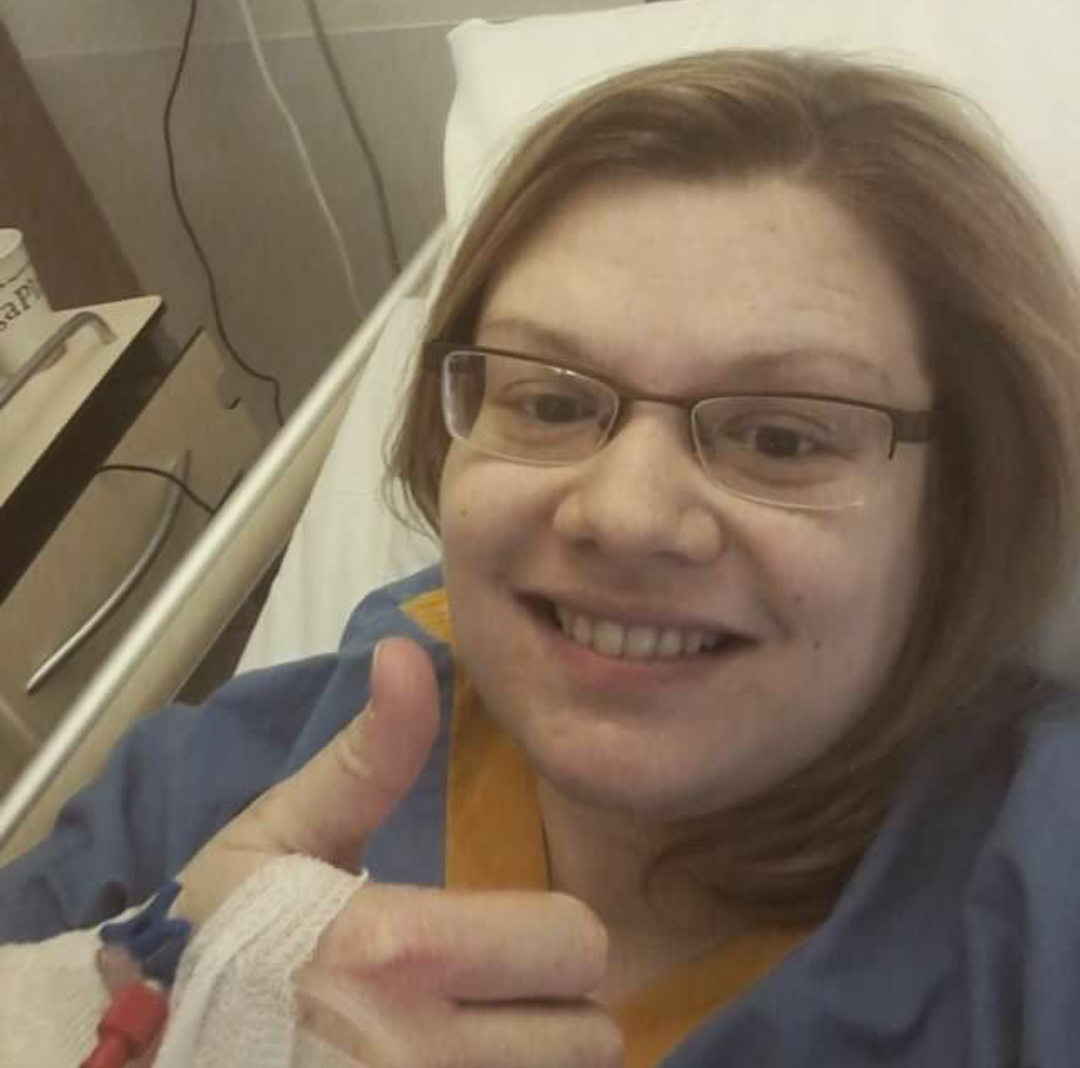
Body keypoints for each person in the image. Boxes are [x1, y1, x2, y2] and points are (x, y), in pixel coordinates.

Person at [2, 47, 1080, 1068]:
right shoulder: (209, 789)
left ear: (962, 507)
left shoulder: (1039, 897)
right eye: (550, 401)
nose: (622, 511)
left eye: (782, 436)